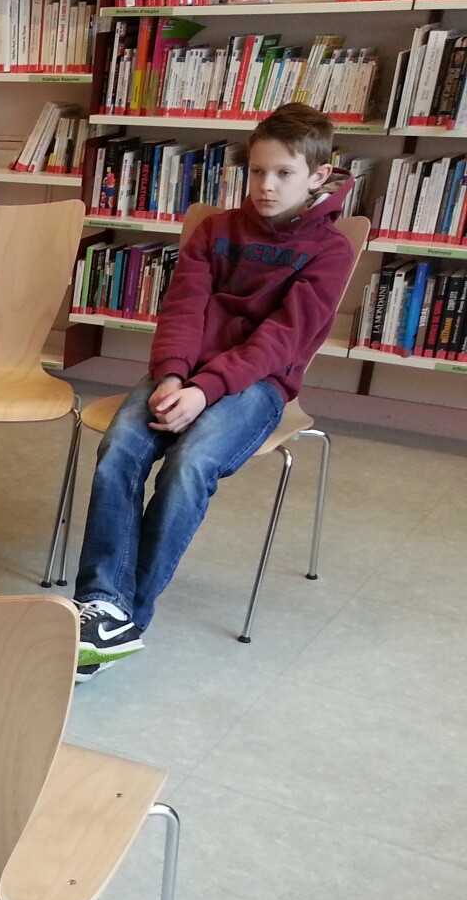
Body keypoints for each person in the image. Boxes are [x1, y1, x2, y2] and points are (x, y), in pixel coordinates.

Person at [71, 103, 357, 681]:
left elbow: (281, 341)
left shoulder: (329, 251)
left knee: (190, 464)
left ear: (318, 176)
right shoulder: (215, 231)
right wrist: (172, 376)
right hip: (181, 374)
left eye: (284, 174)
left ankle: (125, 618)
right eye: (258, 171)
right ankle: (101, 603)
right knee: (120, 449)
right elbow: (183, 309)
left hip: (257, 385)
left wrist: (204, 390)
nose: (266, 186)